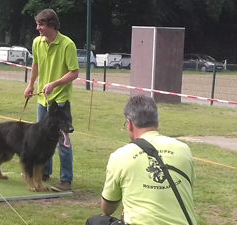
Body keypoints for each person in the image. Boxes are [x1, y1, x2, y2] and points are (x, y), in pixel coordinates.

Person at [85, 95, 197, 225]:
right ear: (157, 122)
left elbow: (107, 208)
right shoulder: (183, 149)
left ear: (129, 124)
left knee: (96, 221)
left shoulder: (120, 156)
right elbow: (188, 190)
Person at [23, 9, 79, 192]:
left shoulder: (67, 44)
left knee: (63, 140)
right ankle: (44, 173)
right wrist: (31, 85)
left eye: (41, 24)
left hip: (60, 100)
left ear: (51, 25)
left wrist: (54, 84)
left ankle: (66, 180)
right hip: (42, 100)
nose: (37, 28)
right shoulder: (37, 42)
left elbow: (74, 72)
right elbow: (35, 65)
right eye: (37, 24)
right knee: (42, 138)